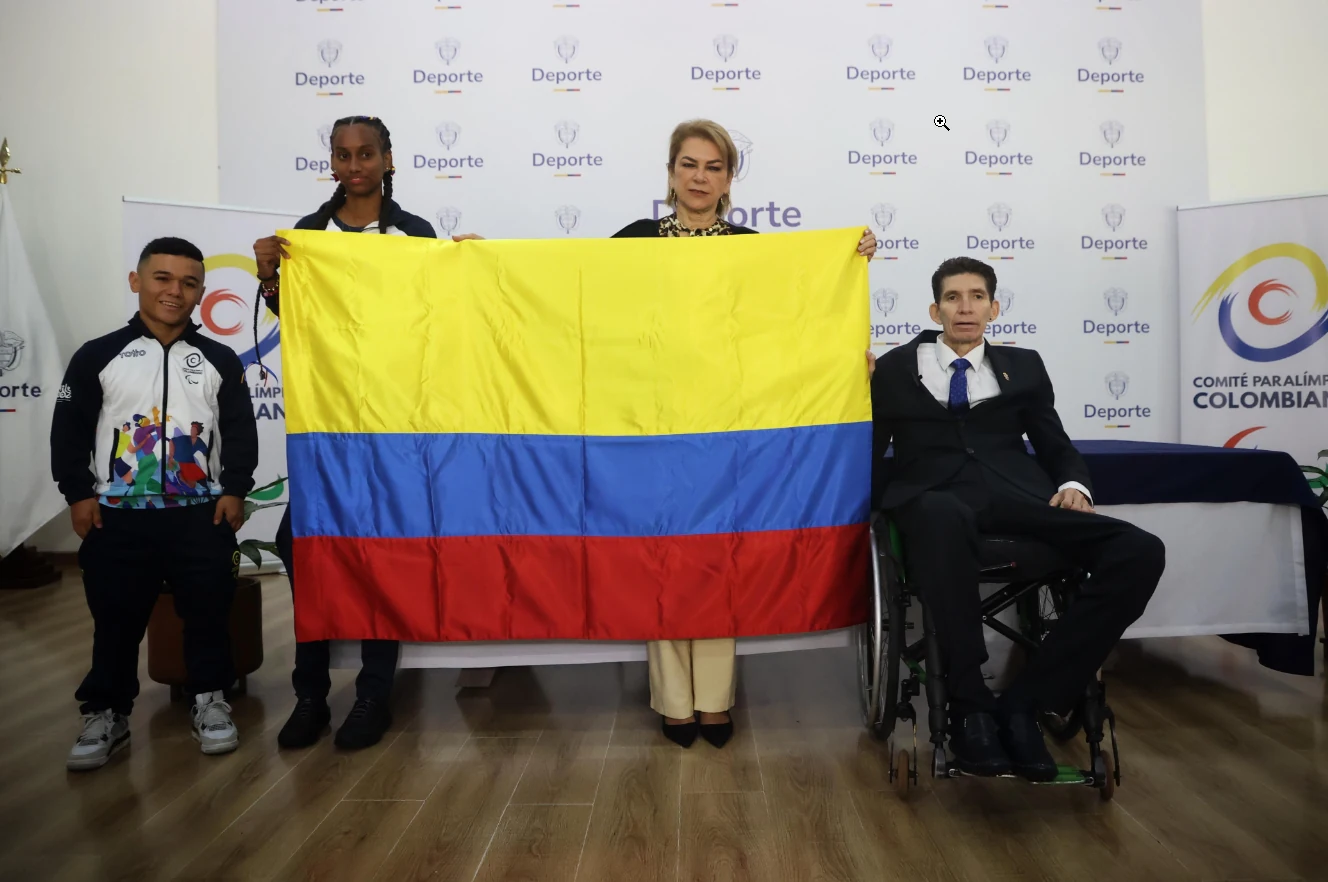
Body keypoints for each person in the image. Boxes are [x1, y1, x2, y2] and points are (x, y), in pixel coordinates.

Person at [613, 118, 878, 749]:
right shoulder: (631, 242)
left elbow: (792, 326)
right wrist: (493, 265)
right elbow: (576, 302)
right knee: (663, 558)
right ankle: (673, 702)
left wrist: (846, 263)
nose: (700, 178)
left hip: (730, 432)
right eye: (689, 165)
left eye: (714, 167)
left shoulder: (755, 249)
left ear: (729, 178)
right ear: (670, 171)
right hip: (654, 428)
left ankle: (715, 701)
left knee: (713, 558)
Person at [868, 256, 1165, 780]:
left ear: (994, 307)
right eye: (954, 297)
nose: (966, 307)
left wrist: (1074, 485)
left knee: (1141, 550)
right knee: (938, 515)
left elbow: (1054, 442)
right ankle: (969, 704)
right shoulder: (893, 368)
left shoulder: (1023, 365)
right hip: (931, 498)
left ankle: (1028, 700)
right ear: (935, 309)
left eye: (977, 296)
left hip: (1017, 497)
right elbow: (869, 449)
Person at [253, 114, 481, 751]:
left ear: (387, 158)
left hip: (394, 424)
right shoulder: (308, 234)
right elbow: (292, 314)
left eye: (366, 154)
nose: (354, 165)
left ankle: (375, 692)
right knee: (303, 542)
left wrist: (463, 267)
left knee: (381, 549)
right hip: (327, 425)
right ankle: (310, 694)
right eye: (343, 155)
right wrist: (271, 274)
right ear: (331, 161)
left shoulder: (413, 232)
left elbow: (434, 316)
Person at [52, 237, 258, 771]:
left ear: (202, 293)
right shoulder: (97, 355)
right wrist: (77, 493)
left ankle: (210, 699)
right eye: (163, 278)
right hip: (117, 518)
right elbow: (68, 432)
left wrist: (234, 488)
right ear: (136, 281)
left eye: (189, 283)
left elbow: (238, 431)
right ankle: (106, 711)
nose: (175, 291)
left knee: (208, 612)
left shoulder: (217, 358)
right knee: (115, 618)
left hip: (199, 515)